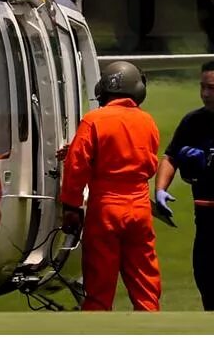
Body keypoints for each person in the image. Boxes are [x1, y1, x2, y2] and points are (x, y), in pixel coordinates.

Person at [60, 60, 162, 311]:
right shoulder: (147, 121)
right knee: (145, 284)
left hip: (106, 208)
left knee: (99, 287)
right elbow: (145, 162)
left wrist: (71, 206)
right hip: (139, 207)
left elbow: (76, 167)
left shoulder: (93, 120)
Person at [153, 60, 214, 310]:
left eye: (212, 88)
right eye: (202, 87)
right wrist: (160, 189)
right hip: (206, 214)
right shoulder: (194, 121)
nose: (205, 94)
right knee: (207, 282)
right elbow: (171, 156)